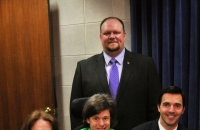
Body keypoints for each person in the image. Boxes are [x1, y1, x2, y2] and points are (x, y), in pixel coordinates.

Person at [70, 16, 161, 130]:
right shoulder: (84, 68)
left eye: (116, 32)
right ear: (100, 37)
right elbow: (76, 113)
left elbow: (155, 108)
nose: (112, 36)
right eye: (107, 33)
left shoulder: (145, 64)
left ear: (124, 35)